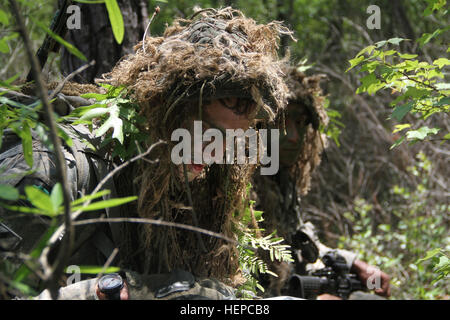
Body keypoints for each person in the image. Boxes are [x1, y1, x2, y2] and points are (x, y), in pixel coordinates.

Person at [1, 7, 292, 299]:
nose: (217, 153)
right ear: (162, 109)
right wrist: (113, 293)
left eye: (232, 141)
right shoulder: (51, 170)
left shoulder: (183, 189)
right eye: (207, 133)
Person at [251, 64, 391, 299]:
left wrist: (355, 264)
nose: (295, 136)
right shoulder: (236, 189)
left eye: (301, 123)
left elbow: (295, 239)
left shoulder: (280, 181)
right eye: (283, 121)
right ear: (258, 123)